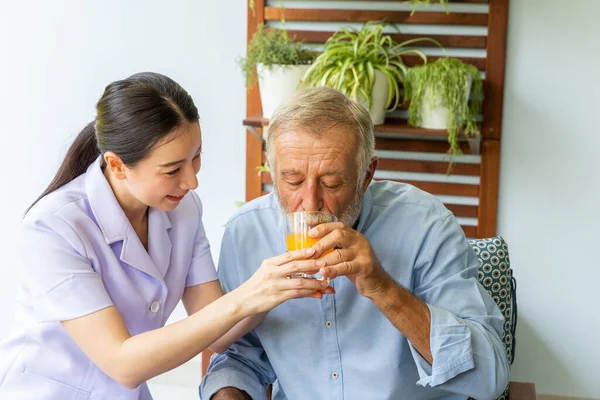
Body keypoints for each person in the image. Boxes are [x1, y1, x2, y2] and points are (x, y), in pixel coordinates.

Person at [0, 72, 332, 400]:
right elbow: (123, 363)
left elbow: (218, 333)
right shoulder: (53, 227)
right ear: (116, 165)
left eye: (196, 157)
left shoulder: (183, 209)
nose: (191, 181)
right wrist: (246, 296)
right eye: (173, 170)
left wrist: (275, 287)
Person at [201, 87, 510, 400]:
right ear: (272, 172)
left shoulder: (427, 225)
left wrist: (382, 288)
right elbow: (239, 356)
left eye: (332, 183)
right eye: (292, 180)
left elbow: (489, 378)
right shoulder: (247, 233)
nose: (310, 204)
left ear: (366, 174)